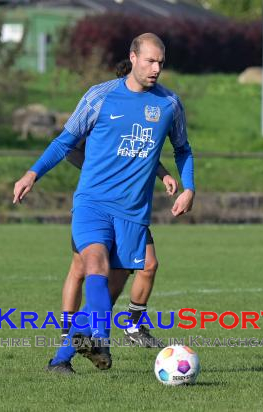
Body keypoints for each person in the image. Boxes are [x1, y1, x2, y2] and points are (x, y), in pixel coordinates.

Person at [13, 33, 195, 374]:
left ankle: (60, 360)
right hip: (93, 204)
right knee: (92, 266)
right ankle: (101, 340)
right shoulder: (99, 97)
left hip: (133, 213)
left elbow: (183, 149)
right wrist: (31, 174)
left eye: (160, 63)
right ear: (133, 56)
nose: (156, 68)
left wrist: (189, 186)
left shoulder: (169, 104)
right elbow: (64, 141)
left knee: (107, 295)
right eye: (150, 61)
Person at [60, 60, 178, 349]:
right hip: (97, 204)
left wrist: (163, 174)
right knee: (80, 269)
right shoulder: (101, 105)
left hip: (129, 207)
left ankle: (133, 325)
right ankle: (69, 332)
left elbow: (140, 152)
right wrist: (100, 173)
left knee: (145, 265)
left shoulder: (150, 109)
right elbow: (69, 149)